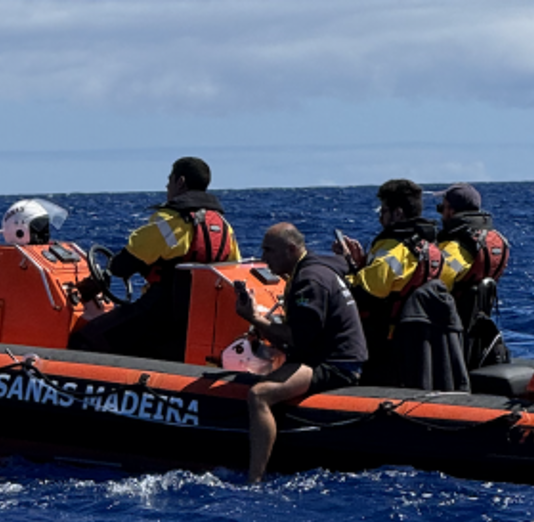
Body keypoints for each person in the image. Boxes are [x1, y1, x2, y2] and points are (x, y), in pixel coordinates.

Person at [70, 157, 240, 361]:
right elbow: (233, 271)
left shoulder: (170, 222)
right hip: (196, 319)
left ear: (180, 182)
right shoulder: (224, 228)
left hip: (158, 312)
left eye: (170, 179)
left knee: (86, 339)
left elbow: (123, 265)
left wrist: (102, 277)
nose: (166, 185)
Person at [236, 223, 367, 482]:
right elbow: (346, 266)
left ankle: (254, 479)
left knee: (259, 395)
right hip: (334, 353)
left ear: (291, 250)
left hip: (336, 364)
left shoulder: (310, 280)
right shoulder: (321, 264)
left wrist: (253, 318)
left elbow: (298, 339)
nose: (264, 258)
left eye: (269, 251)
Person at [334, 178, 468, 385]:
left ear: (397, 213)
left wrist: (345, 267)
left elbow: (361, 294)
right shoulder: (430, 247)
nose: (380, 217)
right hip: (414, 341)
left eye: (383, 211)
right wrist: (360, 264)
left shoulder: (393, 252)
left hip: (382, 345)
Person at [435, 183, 512, 369]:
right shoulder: (498, 241)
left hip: (452, 326)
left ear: (451, 211)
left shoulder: (456, 247)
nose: (440, 214)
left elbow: (435, 281)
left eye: (441, 208)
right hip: (477, 326)